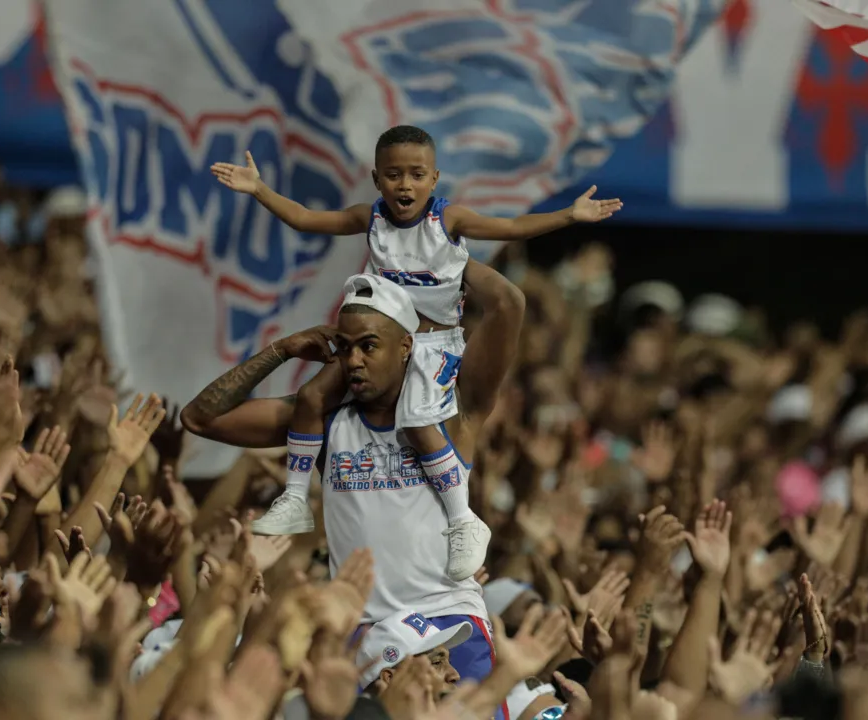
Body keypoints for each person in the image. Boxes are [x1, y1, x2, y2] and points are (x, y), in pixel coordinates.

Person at [210, 125, 621, 580]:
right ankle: (293, 497)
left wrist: (570, 215)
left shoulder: (448, 221)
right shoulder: (371, 220)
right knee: (310, 399)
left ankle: (463, 519)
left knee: (422, 423)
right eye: (393, 174)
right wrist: (260, 189)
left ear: (434, 178)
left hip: (431, 346)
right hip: (380, 347)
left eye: (416, 174)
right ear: (376, 179)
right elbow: (307, 219)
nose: (405, 184)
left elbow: (510, 227)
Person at [181, 261, 526, 705]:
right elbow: (200, 417)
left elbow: (508, 303)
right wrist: (282, 350)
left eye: (368, 346)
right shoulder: (324, 422)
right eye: (344, 348)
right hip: (361, 632)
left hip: (448, 622)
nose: (354, 361)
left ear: (406, 346)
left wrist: (433, 249)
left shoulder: (452, 409)